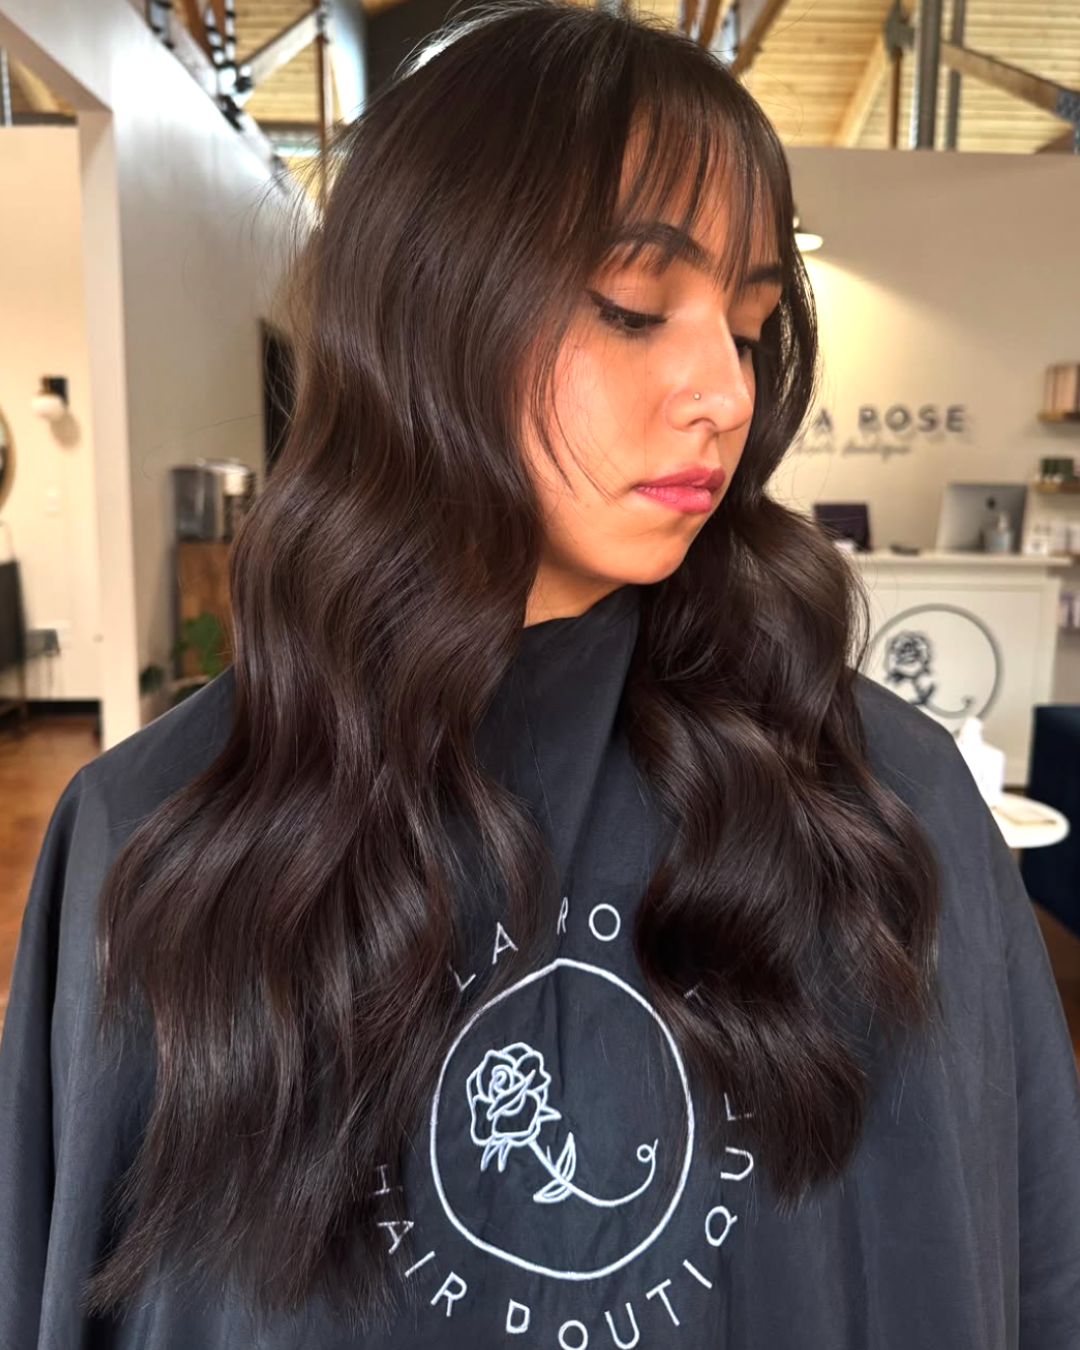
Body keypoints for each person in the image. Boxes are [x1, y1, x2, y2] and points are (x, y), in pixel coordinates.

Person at [2, 2, 1079, 1346]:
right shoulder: (157, 835)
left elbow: (1025, 1262)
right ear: (428, 315)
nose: (724, 392)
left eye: (745, 325)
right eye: (635, 306)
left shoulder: (889, 807)